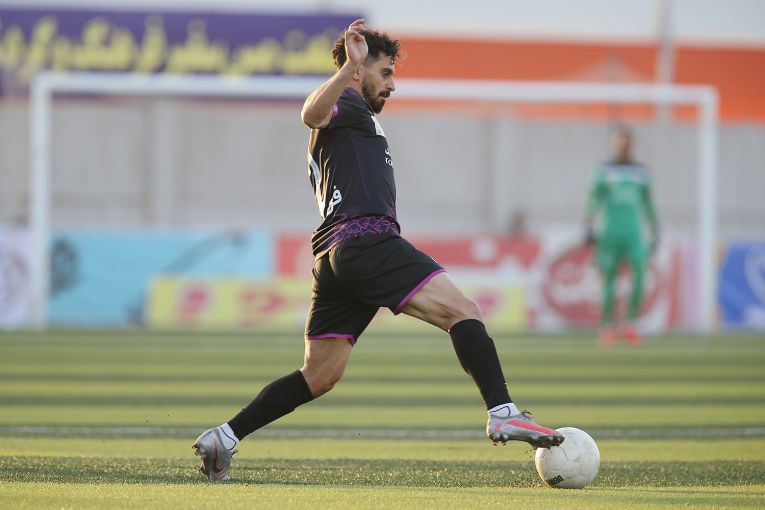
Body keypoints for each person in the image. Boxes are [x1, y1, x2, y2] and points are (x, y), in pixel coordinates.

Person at [192, 19, 563, 481]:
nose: (392, 84)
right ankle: (502, 411)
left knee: (319, 375)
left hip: (334, 257)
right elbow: (310, 113)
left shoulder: (354, 117)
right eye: (385, 72)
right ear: (357, 70)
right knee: (463, 312)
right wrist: (348, 68)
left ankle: (224, 437)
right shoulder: (346, 102)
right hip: (366, 241)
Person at [584, 127, 660, 347]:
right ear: (614, 144)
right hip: (609, 232)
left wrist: (655, 227)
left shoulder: (642, 172)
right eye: (619, 142)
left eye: (626, 142)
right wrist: (588, 224)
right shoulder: (604, 170)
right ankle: (607, 326)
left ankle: (630, 323)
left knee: (640, 275)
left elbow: (648, 203)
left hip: (634, 233)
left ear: (632, 144)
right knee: (609, 279)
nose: (623, 146)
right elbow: (594, 199)